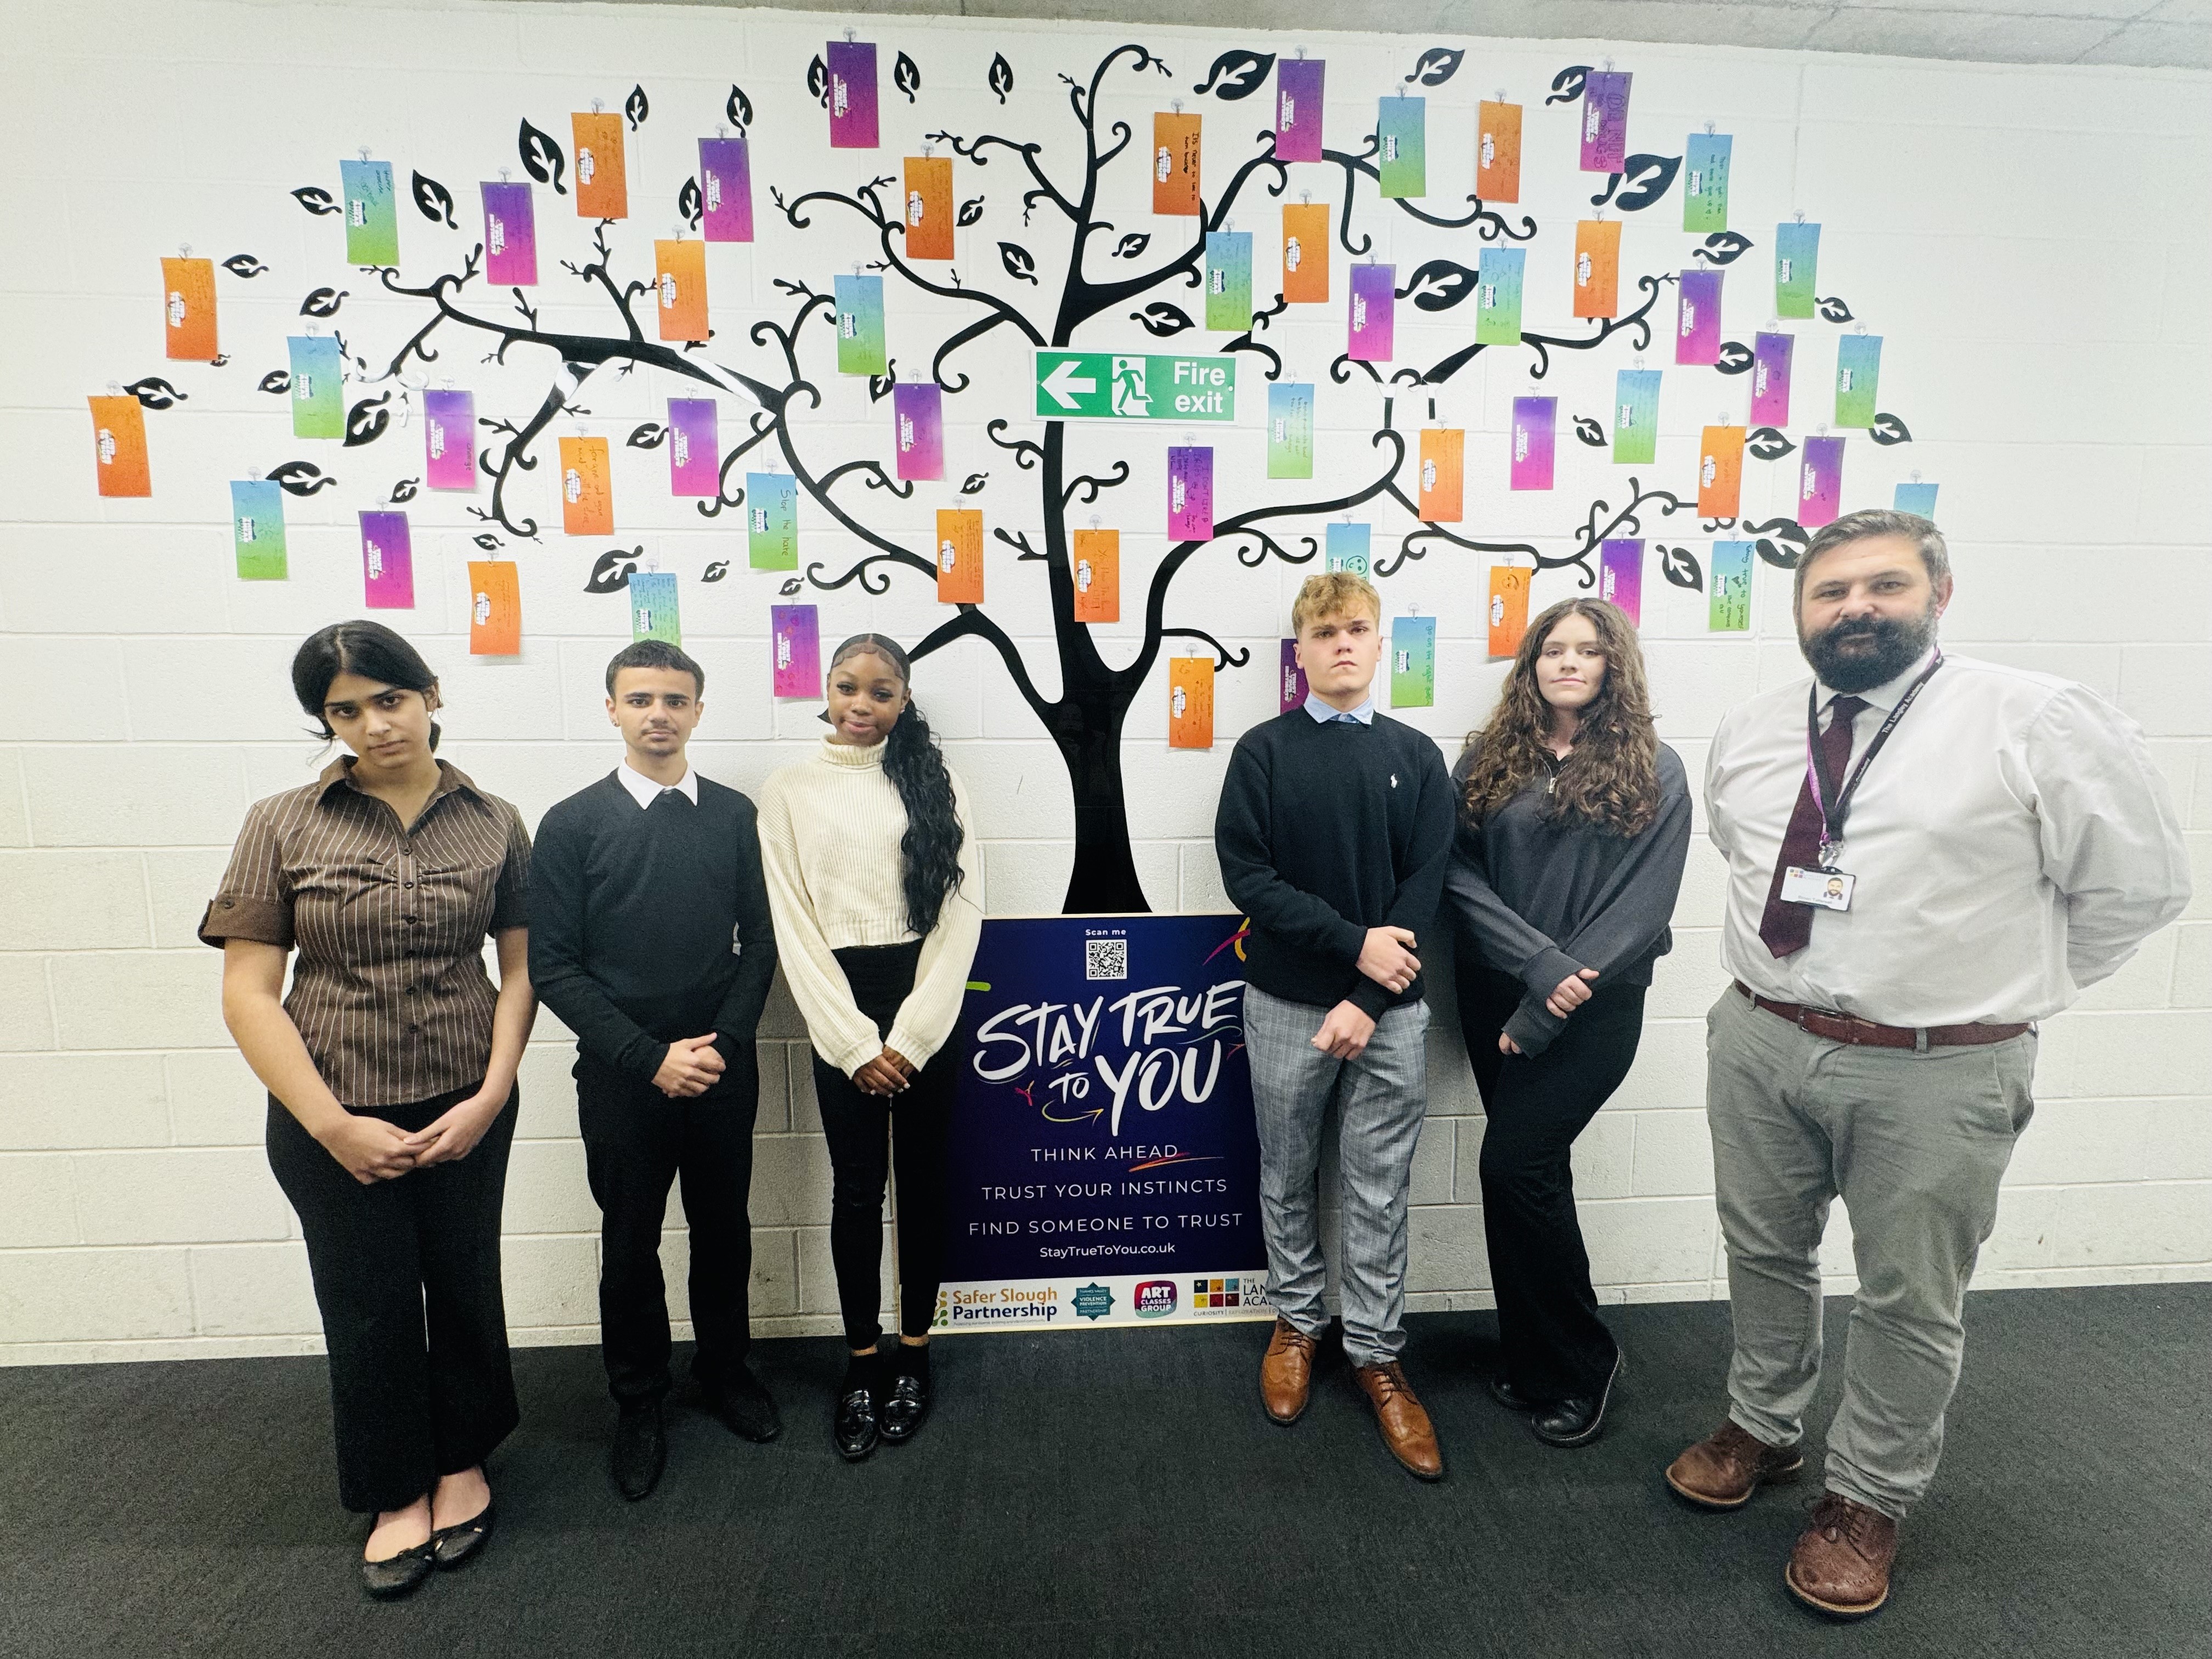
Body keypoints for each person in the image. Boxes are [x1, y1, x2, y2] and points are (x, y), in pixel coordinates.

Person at [1673, 509, 2190, 1618]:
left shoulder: (2034, 719)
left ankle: (1868, 1498)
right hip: (1762, 1034)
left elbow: (2136, 890)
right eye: (1830, 591)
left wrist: (1990, 996)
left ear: (1938, 594)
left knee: (1909, 1294)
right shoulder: (1759, 727)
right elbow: (1740, 848)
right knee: (1763, 1248)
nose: (1856, 606)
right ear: (1800, 613)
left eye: (1884, 585)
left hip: (1938, 1068)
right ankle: (1765, 1428)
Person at [201, 622, 535, 1599]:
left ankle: (464, 1457)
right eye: (344, 711)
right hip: (328, 1108)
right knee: (368, 1299)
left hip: (466, 1097)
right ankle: (395, 1491)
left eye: (388, 699)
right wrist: (331, 1125)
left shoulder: (496, 820)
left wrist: (490, 1094)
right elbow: (249, 992)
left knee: (463, 1280)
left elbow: (519, 975)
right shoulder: (280, 822)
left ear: (429, 692)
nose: (372, 725)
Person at [1214, 572, 1457, 1481]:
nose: (1342, 645)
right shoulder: (1264, 752)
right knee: (1286, 1171)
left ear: (1378, 642)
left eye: (1357, 629)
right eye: (1324, 633)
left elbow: (1426, 888)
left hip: (1389, 1013)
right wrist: (1353, 946)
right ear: (1302, 651)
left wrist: (1370, 995)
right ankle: (1297, 1323)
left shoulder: (1416, 754)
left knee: (1378, 1187)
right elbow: (1250, 878)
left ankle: (1378, 1353)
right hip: (1282, 1002)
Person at [529, 640, 780, 1502]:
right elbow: (553, 968)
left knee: (724, 1230)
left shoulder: (736, 816)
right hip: (621, 1075)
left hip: (719, 1066)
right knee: (630, 1244)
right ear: (611, 710)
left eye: (675, 700)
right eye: (640, 700)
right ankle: (639, 1400)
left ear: (700, 712)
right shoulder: (570, 825)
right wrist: (648, 1058)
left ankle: (724, 1370)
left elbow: (763, 940)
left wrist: (725, 1045)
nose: (658, 714)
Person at [1447, 598, 1690, 1448]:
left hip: (1595, 1006)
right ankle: (1531, 1355)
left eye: (1589, 651)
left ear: (1613, 665)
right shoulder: (1487, 761)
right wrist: (1535, 970)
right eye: (1555, 649)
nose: (1570, 663)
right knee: (1527, 1176)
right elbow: (1459, 877)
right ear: (1532, 664)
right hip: (1496, 997)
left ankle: (1585, 1363)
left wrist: (1551, 999)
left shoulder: (1656, 769)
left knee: (1515, 1165)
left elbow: (1641, 909)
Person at [757, 634, 982, 1462]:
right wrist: (855, 1043)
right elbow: (793, 926)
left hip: (927, 1010)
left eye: (881, 692)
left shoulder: (937, 783)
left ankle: (915, 1355)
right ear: (826, 688)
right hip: (839, 1014)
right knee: (857, 1192)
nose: (862, 705)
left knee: (921, 1188)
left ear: (903, 699)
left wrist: (916, 1037)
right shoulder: (787, 791)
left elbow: (962, 916)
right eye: (848, 687)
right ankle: (860, 1363)